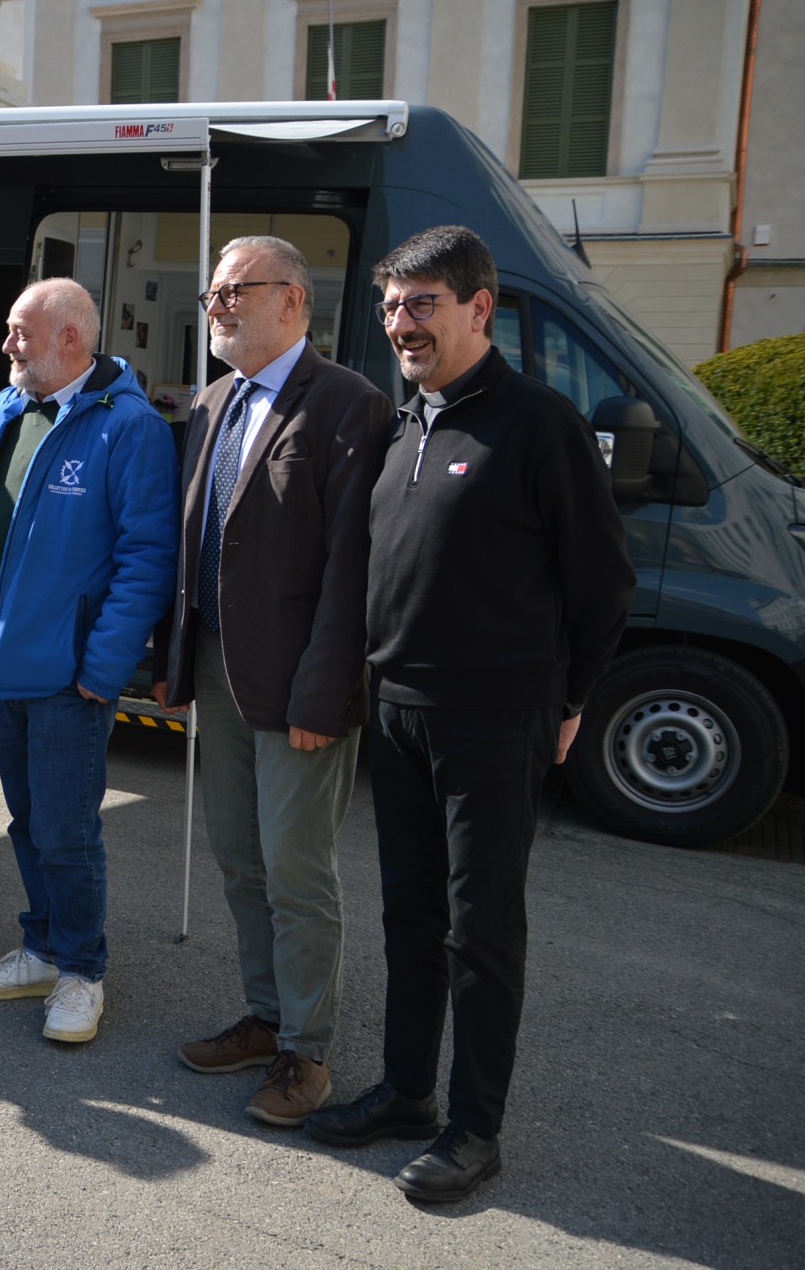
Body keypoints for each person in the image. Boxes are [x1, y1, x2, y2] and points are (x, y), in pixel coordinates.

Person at [305, 226, 635, 1202]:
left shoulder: (539, 424)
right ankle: (406, 1092)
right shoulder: (405, 423)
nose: (400, 323)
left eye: (421, 304)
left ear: (478, 307)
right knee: (409, 918)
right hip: (398, 711)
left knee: (479, 933)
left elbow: (602, 583)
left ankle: (473, 1128)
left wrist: (570, 698)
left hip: (494, 718)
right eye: (389, 307)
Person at [150, 237, 394, 1123]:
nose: (216, 307)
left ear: (292, 299)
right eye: (212, 294)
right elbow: (192, 544)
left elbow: (353, 570)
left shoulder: (349, 404)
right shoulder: (213, 401)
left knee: (296, 870)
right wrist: (173, 661)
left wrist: (325, 694)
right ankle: (266, 1016)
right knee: (239, 858)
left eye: (233, 292)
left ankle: (307, 1051)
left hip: (300, 685)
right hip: (218, 666)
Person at [0, 277, 177, 1044]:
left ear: (70, 338)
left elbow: (146, 559)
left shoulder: (129, 426)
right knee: (28, 822)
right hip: (2, 664)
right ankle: (41, 951)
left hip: (70, 675)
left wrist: (102, 669)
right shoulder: (8, 410)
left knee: (67, 832)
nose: (7, 344)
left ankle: (81, 972)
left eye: (20, 332)